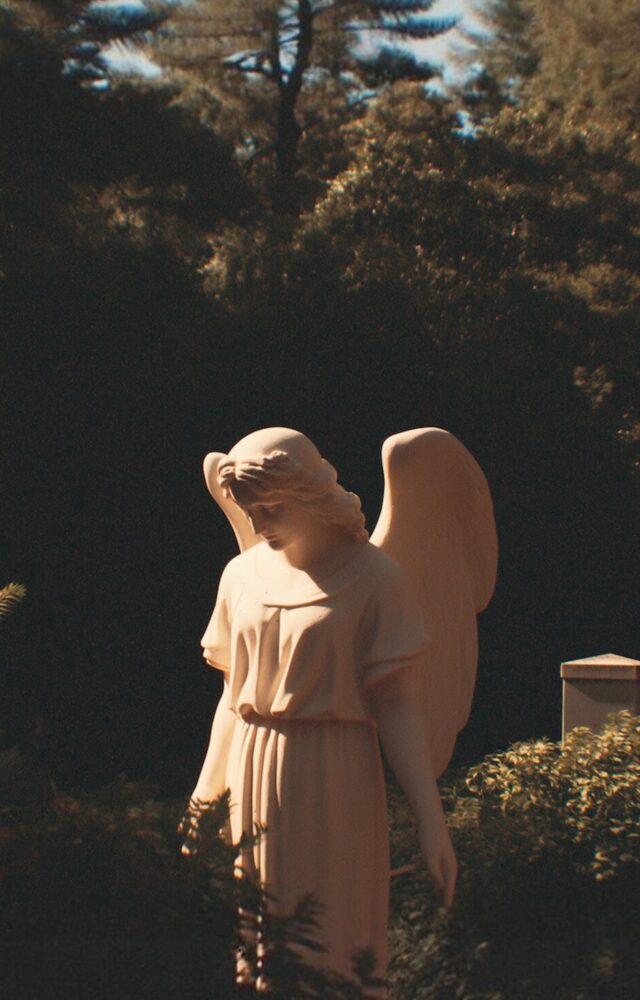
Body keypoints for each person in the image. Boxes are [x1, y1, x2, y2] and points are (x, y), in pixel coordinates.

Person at [182, 428, 457, 995]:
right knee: (263, 951)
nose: (258, 524)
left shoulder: (377, 579)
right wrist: (204, 798)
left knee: (335, 943)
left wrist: (431, 820)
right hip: (255, 775)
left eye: (272, 507)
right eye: (249, 510)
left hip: (336, 778)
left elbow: (399, 707)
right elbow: (233, 702)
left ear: (311, 495)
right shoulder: (241, 576)